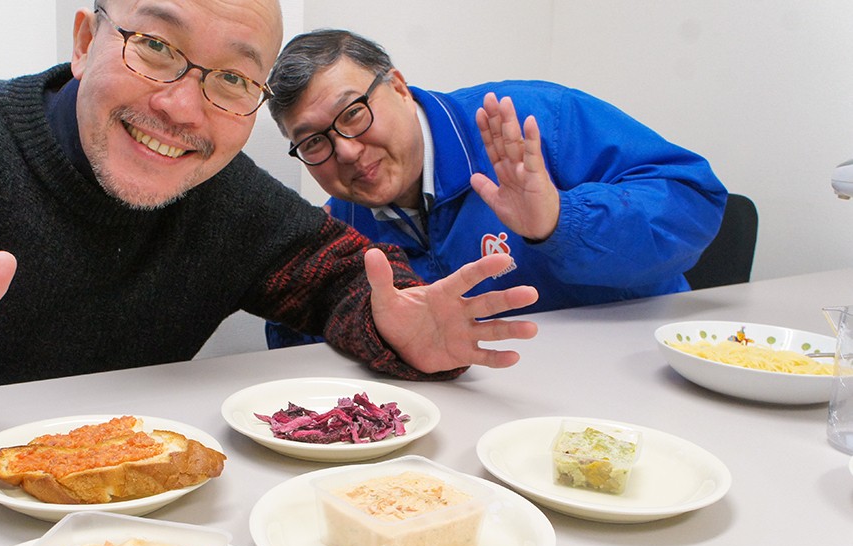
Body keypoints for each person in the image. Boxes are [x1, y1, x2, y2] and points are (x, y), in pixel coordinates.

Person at [0, 1, 539, 433]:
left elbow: (338, 279)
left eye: (233, 78)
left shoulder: (229, 197)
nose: (181, 107)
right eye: (156, 47)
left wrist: (391, 326)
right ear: (87, 39)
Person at [262, 29, 727, 349]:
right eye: (313, 142)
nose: (344, 151)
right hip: (485, 412)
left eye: (354, 113)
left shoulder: (529, 121)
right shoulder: (342, 229)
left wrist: (561, 220)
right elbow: (301, 361)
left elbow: (694, 200)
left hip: (632, 369)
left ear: (399, 87)